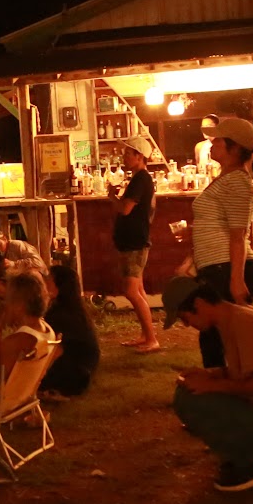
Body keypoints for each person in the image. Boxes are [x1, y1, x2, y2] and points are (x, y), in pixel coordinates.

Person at [166, 281, 253, 492]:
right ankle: (250, 453)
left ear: (199, 303)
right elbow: (245, 372)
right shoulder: (229, 320)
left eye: (184, 317)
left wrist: (212, 386)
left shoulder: (243, 321)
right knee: (188, 392)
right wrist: (210, 374)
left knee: (193, 401)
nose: (187, 324)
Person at [185, 116, 253, 368]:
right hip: (217, 267)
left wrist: (237, 280)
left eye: (218, 140)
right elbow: (219, 225)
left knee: (220, 340)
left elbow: (239, 235)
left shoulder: (238, 181)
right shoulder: (226, 178)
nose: (212, 143)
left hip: (228, 268)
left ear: (235, 147)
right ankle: (222, 392)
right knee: (214, 338)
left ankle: (229, 392)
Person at [0, 272, 58, 400]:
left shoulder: (16, 342)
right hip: (21, 400)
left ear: (19, 306)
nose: (4, 305)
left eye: (7, 300)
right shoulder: (48, 331)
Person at [110, 137, 158, 352]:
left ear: (140, 156)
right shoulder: (139, 178)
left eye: (128, 153)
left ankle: (151, 339)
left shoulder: (141, 179)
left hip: (135, 242)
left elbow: (125, 209)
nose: (124, 157)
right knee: (138, 290)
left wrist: (112, 198)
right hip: (133, 240)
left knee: (131, 291)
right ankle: (146, 335)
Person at [42, 265, 100, 397]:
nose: (44, 282)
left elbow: (55, 350)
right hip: (83, 370)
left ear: (58, 287)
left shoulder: (60, 315)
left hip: (75, 374)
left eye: (48, 279)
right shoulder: (73, 309)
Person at [0, 226, 48, 300]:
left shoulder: (17, 245)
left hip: (29, 280)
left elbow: (38, 263)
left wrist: (13, 264)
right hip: (14, 283)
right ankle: (18, 302)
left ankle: (36, 299)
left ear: (5, 239)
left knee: (33, 273)